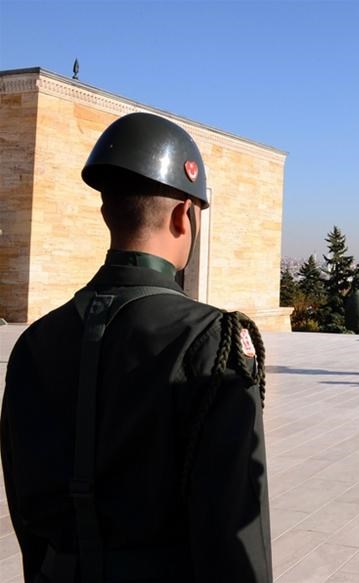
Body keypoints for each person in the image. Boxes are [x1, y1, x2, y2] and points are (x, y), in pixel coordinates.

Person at [1, 113, 273, 582]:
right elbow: (233, 531)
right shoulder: (212, 341)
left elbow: (27, 514)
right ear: (183, 216)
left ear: (106, 213)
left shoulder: (35, 342)